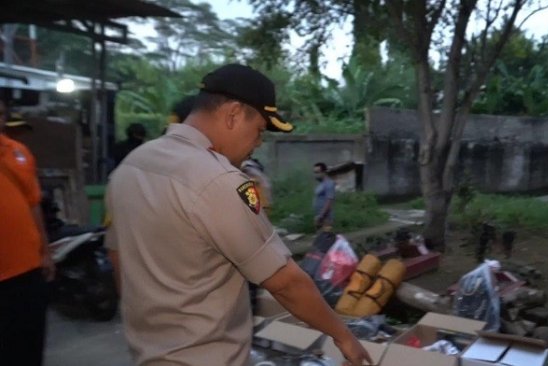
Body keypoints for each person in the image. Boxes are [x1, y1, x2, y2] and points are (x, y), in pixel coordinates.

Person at [105, 64, 371, 366]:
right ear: (232, 114)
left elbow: (117, 257)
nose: (257, 143)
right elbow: (286, 283)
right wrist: (344, 337)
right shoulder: (219, 180)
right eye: (258, 130)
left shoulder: (130, 166)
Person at [0, 100, 55, 366]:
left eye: (0, 114)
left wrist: (45, 251)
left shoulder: (18, 152)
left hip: (26, 272)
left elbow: (33, 205)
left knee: (27, 349)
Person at [313, 162, 336, 230]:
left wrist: (321, 216)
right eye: (314, 172)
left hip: (325, 217)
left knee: (326, 237)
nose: (316, 175)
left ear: (324, 172)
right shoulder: (321, 184)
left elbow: (329, 201)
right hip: (319, 216)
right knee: (320, 237)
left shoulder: (329, 184)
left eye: (317, 172)